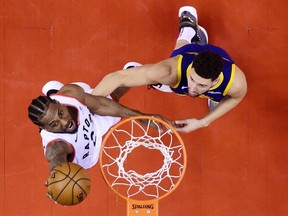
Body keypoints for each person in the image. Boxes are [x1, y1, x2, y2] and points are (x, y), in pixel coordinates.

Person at [92, 6, 247, 133]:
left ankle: (190, 31)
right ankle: (189, 29)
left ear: (216, 81)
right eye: (192, 79)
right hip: (186, 54)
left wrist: (203, 122)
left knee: (219, 101)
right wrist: (84, 105)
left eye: (201, 85)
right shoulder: (171, 70)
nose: (192, 87)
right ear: (192, 66)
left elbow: (235, 97)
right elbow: (117, 78)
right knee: (176, 66)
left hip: (216, 71)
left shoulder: (236, 83)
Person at [28, 81, 170, 170]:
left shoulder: (71, 94)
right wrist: (57, 180)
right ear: (44, 129)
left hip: (91, 121)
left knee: (112, 97)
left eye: (60, 113)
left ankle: (132, 70)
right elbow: (56, 161)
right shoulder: (57, 146)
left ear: (59, 103)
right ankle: (52, 89)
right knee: (99, 100)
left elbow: (101, 105)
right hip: (90, 140)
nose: (64, 122)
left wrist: (141, 117)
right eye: (54, 124)